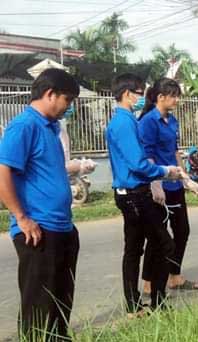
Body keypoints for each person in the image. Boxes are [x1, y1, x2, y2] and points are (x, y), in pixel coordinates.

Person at [0, 68, 80, 341]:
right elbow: (3, 173)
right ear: (50, 94)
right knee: (38, 305)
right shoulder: (24, 126)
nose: (68, 107)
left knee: (60, 299)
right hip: (38, 230)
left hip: (62, 227)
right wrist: (21, 218)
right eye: (67, 100)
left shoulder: (51, 128)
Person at [106, 73, 183, 317]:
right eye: (140, 93)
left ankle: (134, 305)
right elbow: (139, 163)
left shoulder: (124, 121)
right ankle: (156, 300)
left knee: (135, 248)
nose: (143, 98)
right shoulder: (124, 123)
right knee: (164, 244)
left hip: (130, 193)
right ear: (128, 94)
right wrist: (165, 172)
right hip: (135, 194)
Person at [138, 78, 198, 294]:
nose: (176, 99)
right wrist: (155, 184)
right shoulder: (148, 122)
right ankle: (148, 281)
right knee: (158, 237)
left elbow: (175, 152)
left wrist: (185, 177)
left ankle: (174, 276)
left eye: (177, 95)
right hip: (158, 187)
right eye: (172, 95)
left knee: (182, 230)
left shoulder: (171, 120)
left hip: (174, 185)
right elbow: (147, 156)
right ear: (160, 97)